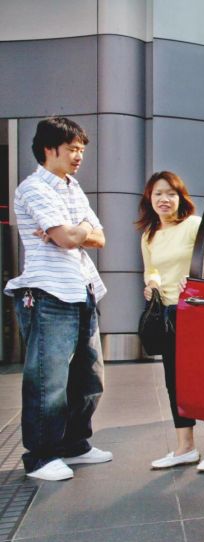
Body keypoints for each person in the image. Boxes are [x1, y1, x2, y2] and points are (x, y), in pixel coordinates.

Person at [4, 117, 112, 481]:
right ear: (50, 149)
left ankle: (74, 445)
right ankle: (40, 457)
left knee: (90, 377)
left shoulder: (72, 188)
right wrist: (77, 231)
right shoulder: (34, 188)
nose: (79, 155)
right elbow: (69, 238)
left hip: (82, 288)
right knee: (47, 381)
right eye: (73, 149)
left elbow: (98, 238)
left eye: (82, 149)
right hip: (48, 292)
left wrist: (74, 230)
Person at [136, 171, 204, 471]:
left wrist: (193, 279)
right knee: (173, 381)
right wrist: (151, 283)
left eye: (170, 194)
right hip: (166, 313)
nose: (164, 200)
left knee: (202, 378)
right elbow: (150, 269)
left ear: (180, 197)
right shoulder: (149, 235)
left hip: (193, 311)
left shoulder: (193, 225)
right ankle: (185, 447)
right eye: (158, 194)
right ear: (149, 200)